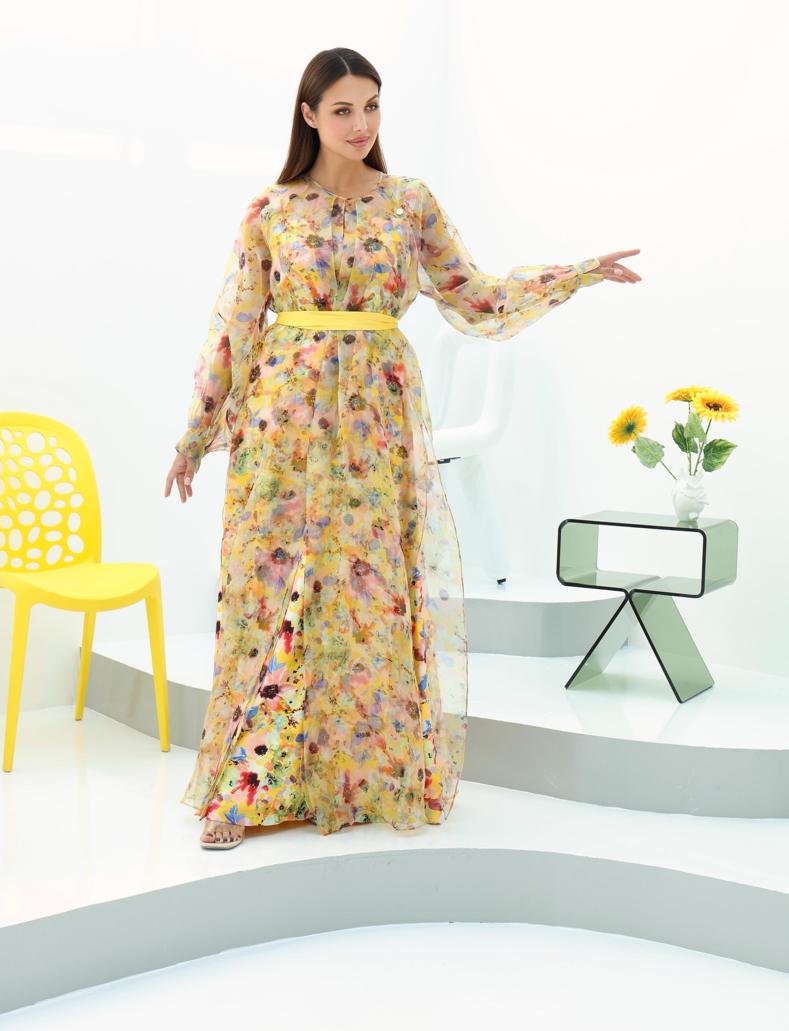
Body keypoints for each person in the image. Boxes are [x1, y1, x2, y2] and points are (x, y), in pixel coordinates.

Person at [164, 47, 641, 850]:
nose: (361, 124)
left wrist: (576, 274)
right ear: (308, 115)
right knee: (273, 590)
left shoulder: (407, 203)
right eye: (343, 109)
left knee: (365, 593)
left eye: (372, 106)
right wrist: (196, 433)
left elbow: (472, 294)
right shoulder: (270, 211)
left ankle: (356, 776)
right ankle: (245, 787)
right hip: (284, 417)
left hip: (374, 419)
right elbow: (235, 329)